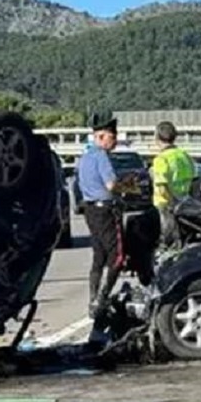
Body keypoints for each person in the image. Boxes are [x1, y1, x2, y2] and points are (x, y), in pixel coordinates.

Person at [75, 116, 124, 321]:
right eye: (112, 137)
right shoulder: (101, 156)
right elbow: (111, 185)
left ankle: (93, 298)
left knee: (99, 256)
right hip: (105, 211)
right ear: (101, 136)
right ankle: (102, 298)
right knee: (117, 256)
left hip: (90, 211)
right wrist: (127, 188)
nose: (115, 140)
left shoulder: (84, 158)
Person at [149, 121, 196, 248]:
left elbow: (162, 185)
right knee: (183, 237)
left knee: (167, 240)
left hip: (166, 205)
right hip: (184, 202)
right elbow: (195, 180)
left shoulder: (161, 159)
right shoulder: (184, 156)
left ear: (157, 138)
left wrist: (171, 203)